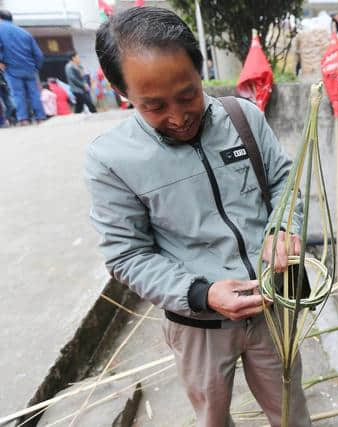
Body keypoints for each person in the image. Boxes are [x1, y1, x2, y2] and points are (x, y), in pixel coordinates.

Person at [87, 7, 310, 427]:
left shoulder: (244, 118)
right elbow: (127, 255)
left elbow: (286, 184)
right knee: (212, 417)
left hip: (272, 305)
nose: (178, 115)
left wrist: (284, 228)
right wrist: (201, 294)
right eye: (153, 106)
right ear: (122, 91)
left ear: (200, 68)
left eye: (188, 94)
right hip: (197, 325)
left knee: (290, 410)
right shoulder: (111, 160)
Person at [0, 9, 46, 125]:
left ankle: (23, 119)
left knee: (17, 94)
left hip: (11, 68)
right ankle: (40, 117)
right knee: (34, 93)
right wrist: (35, 67)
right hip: (29, 68)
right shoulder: (24, 32)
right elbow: (39, 55)